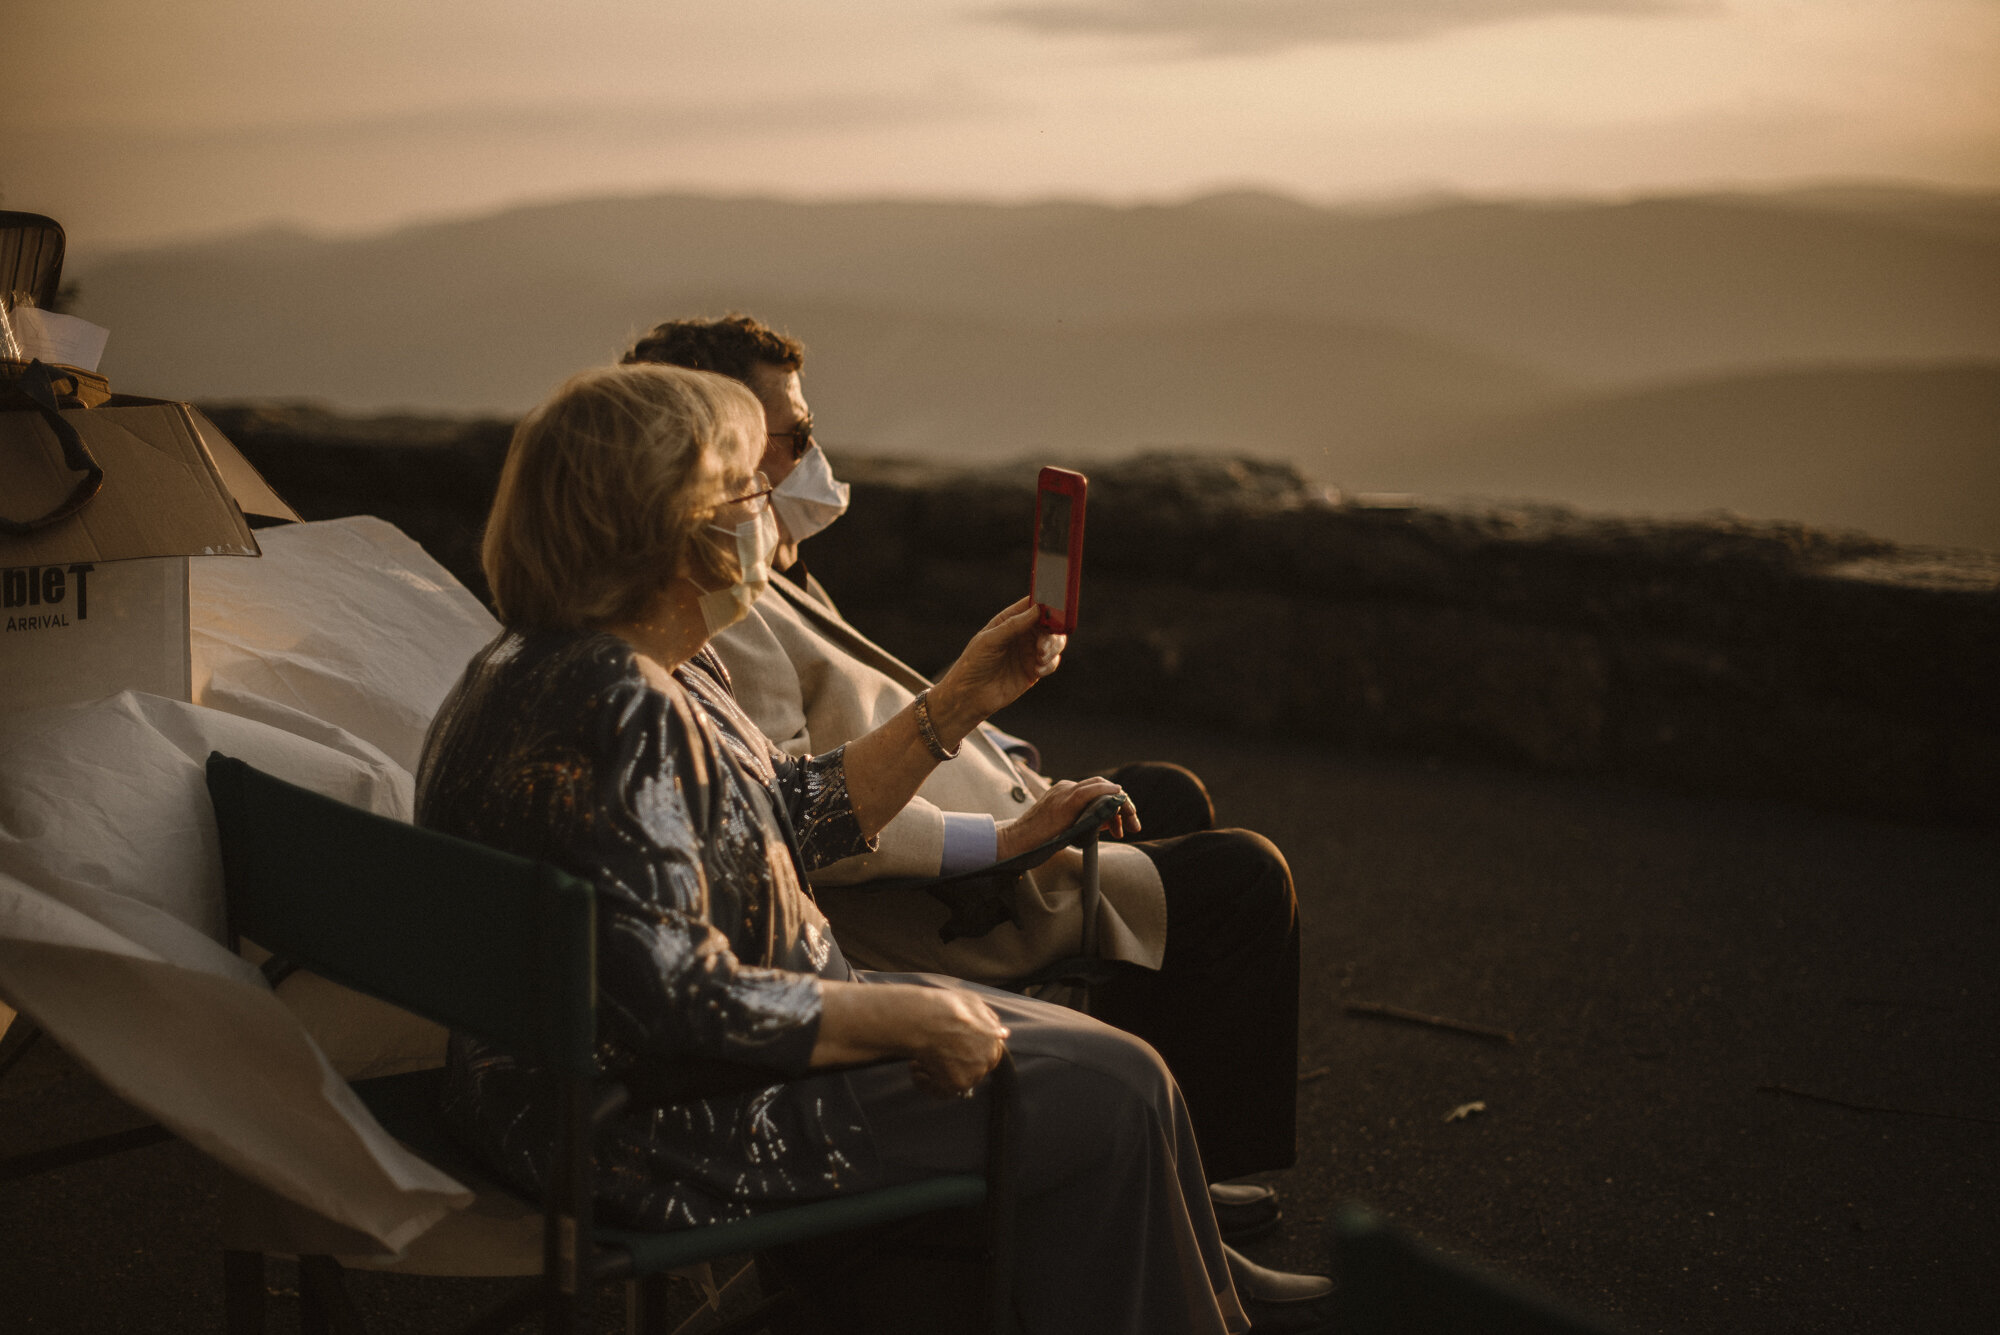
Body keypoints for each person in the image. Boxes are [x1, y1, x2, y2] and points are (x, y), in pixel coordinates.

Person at [415, 363, 1334, 1333]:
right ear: (669, 527)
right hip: (667, 1116)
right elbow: (681, 1003)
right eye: (744, 491)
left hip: (580, 1082)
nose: (767, 509)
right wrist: (909, 1020)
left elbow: (789, 806)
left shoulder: (564, 662)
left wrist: (957, 703)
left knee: (1116, 1071)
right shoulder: (622, 708)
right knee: (1118, 1090)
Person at [620, 316, 1302, 1226]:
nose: (808, 459)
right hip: (916, 906)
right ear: (714, 445)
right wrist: (1007, 832)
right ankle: (1169, 1199)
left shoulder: (752, 575)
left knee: (1167, 796)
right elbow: (788, 829)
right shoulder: (703, 614)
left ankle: (1166, 1172)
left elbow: (790, 781)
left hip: (913, 843)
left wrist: (996, 743)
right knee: (1246, 875)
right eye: (791, 439)